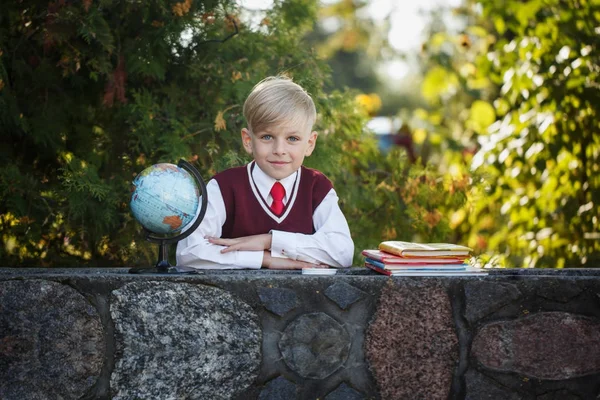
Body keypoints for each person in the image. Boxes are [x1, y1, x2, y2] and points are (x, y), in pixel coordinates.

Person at [176, 76, 354, 270]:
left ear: (309, 144)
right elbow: (188, 253)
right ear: (248, 140)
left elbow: (342, 252)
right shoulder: (224, 187)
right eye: (267, 137)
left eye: (292, 138)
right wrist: (265, 260)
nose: (279, 149)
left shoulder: (316, 188)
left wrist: (269, 241)